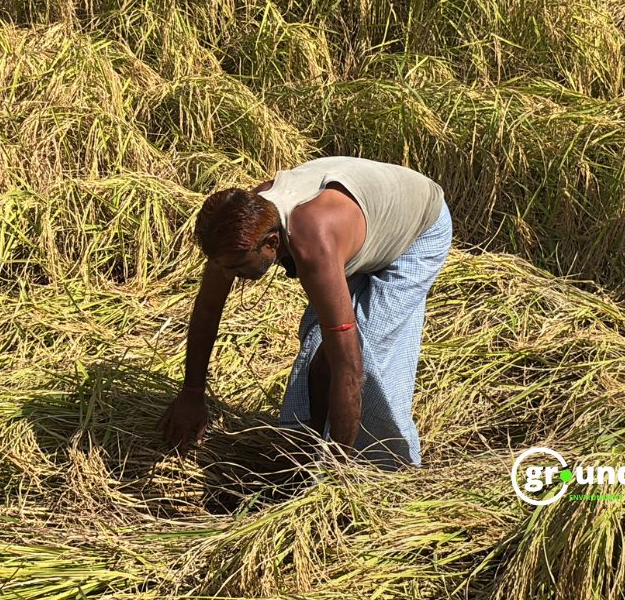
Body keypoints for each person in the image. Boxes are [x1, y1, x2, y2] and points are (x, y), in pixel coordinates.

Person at [157, 155, 453, 470]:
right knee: (317, 352)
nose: (229, 275)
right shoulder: (237, 229)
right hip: (364, 219)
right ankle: (303, 452)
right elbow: (208, 308)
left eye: (236, 268)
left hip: (416, 228)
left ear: (272, 243)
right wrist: (192, 393)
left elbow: (349, 366)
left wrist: (336, 470)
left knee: (367, 359)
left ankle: (392, 466)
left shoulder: (313, 243)